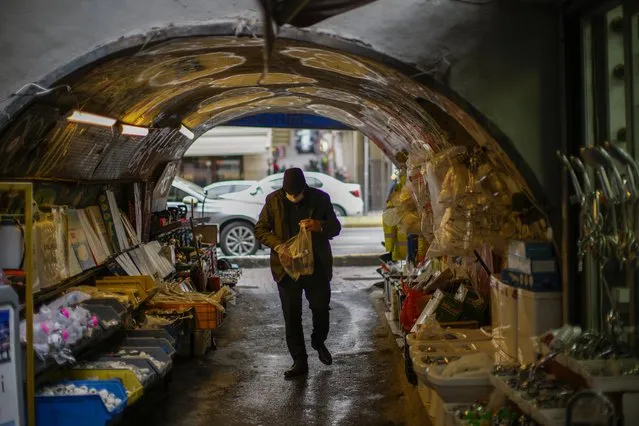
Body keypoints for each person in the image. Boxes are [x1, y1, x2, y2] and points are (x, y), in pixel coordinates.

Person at [255, 168, 342, 379]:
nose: (294, 197)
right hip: (286, 268)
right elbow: (260, 230)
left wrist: (319, 225)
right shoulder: (273, 200)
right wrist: (278, 246)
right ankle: (299, 361)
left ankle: (318, 341)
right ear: (284, 190)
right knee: (292, 316)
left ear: (305, 188)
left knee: (321, 308)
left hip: (316, 267)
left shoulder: (321, 199)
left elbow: (335, 227)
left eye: (298, 194)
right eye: (290, 194)